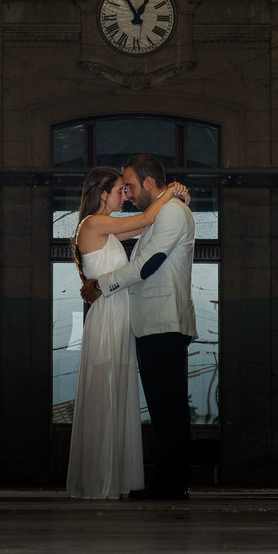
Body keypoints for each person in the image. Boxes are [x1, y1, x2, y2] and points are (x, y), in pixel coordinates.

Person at [66, 166, 189, 499]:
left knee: (116, 391)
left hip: (119, 316)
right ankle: (100, 480)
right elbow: (148, 218)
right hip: (107, 318)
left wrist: (177, 199)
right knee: (105, 391)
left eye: (126, 188)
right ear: (103, 193)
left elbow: (150, 227)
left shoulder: (107, 229)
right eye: (120, 190)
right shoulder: (93, 224)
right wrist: (171, 191)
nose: (125, 196)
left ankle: (113, 477)